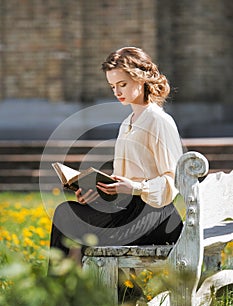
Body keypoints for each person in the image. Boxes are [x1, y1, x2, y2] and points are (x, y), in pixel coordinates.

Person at [49, 47, 183, 263]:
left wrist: (136, 187)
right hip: (127, 211)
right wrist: (96, 195)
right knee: (69, 212)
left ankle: (68, 293)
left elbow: (175, 180)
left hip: (156, 218)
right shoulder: (127, 123)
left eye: (123, 84)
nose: (117, 92)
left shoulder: (158, 121)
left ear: (141, 79)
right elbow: (122, 182)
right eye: (113, 86)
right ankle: (82, 293)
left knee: (66, 217)